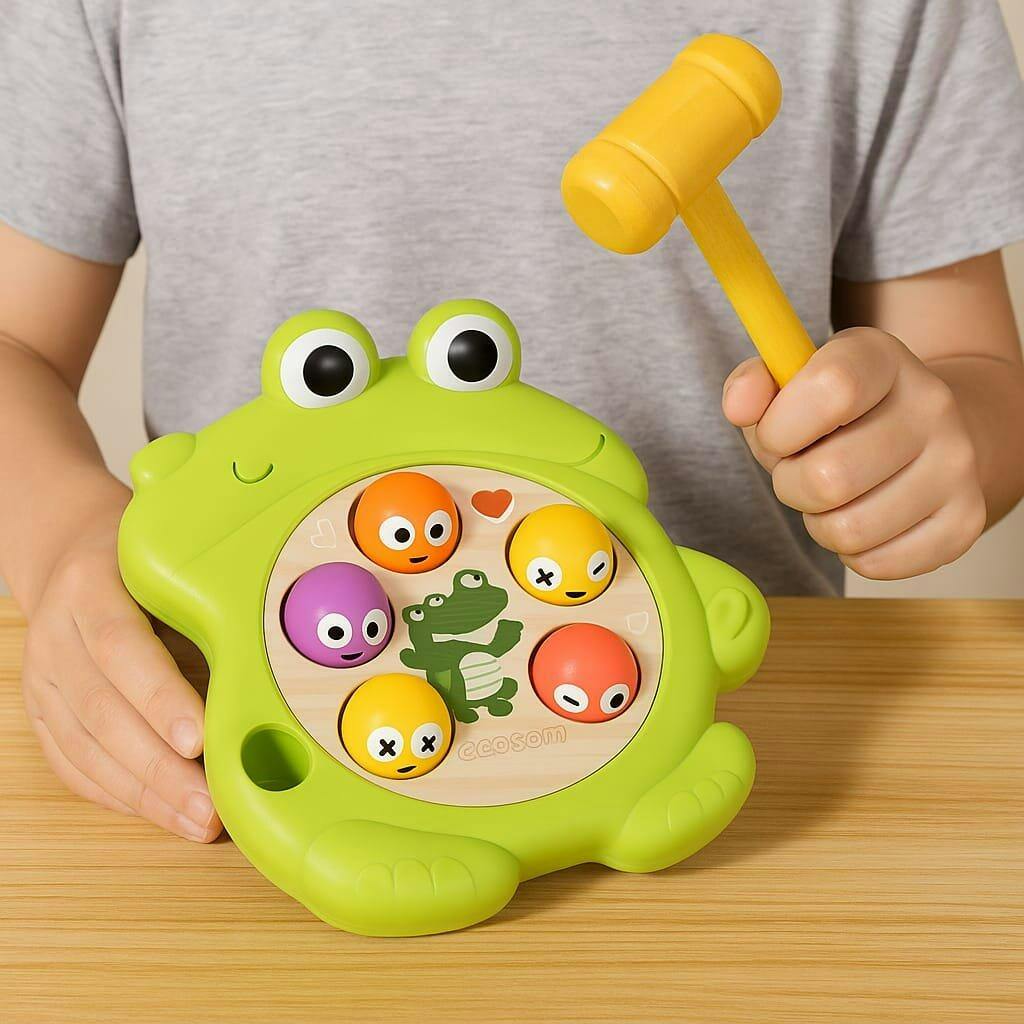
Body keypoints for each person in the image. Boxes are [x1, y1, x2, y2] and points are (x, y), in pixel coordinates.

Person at [1, 1, 1023, 843]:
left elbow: (978, 378)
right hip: (244, 754)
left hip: (760, 753)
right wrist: (65, 538)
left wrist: (941, 447)